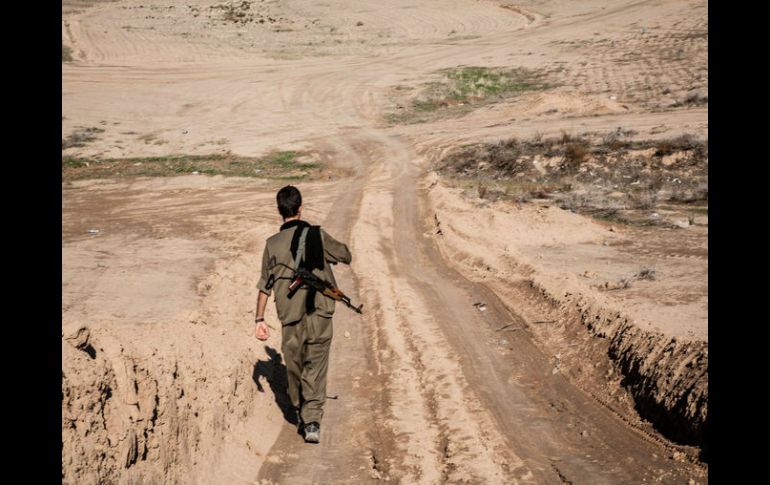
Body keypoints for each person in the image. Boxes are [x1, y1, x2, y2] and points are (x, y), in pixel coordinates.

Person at [254, 185, 352, 444]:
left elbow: (264, 285)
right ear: (301, 208)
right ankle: (310, 418)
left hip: (290, 318)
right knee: (315, 368)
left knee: (295, 366)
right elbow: (345, 254)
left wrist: (259, 319)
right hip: (319, 314)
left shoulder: (271, 244)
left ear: (279, 211)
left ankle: (305, 414)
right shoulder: (317, 235)